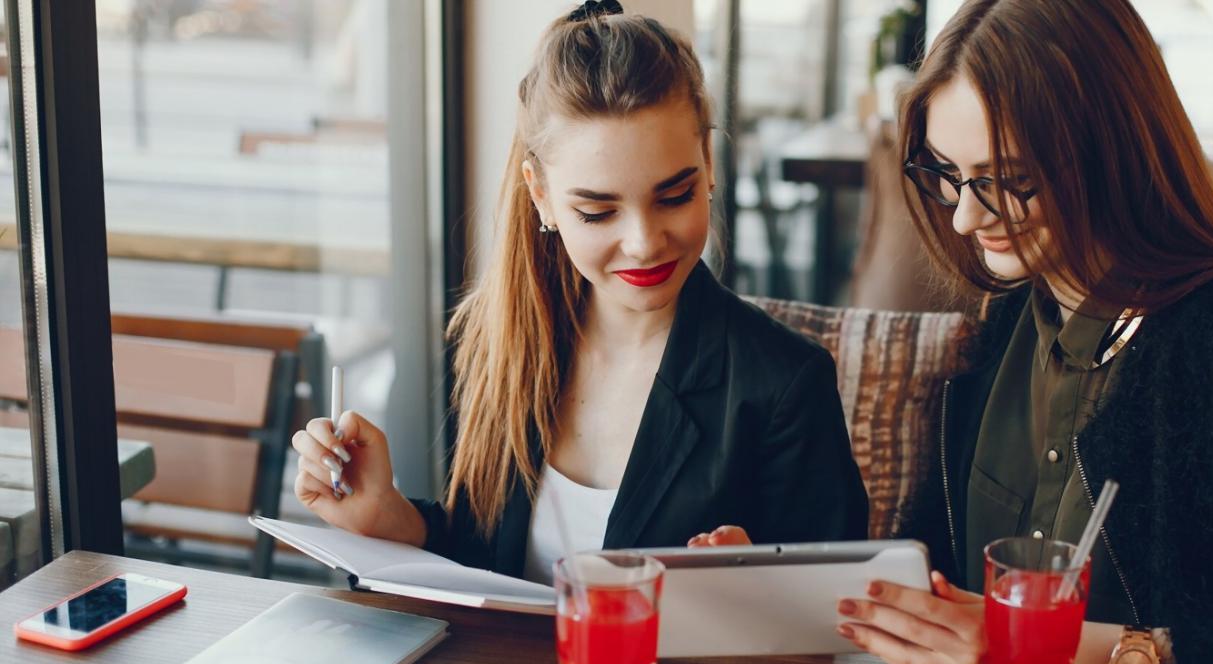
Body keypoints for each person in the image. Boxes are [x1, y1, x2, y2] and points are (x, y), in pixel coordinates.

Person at [714, 0, 1213, 664]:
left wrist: (1065, 654)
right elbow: (939, 577)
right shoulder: (1012, 317)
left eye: (1007, 179)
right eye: (948, 174)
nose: (965, 218)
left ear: (1110, 152)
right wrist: (792, 589)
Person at [290, 2, 867, 584]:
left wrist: (757, 592)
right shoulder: (498, 342)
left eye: (674, 197)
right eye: (597, 211)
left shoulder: (784, 385)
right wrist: (389, 516)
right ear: (541, 195)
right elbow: (483, 559)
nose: (643, 243)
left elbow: (834, 614)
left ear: (708, 164)